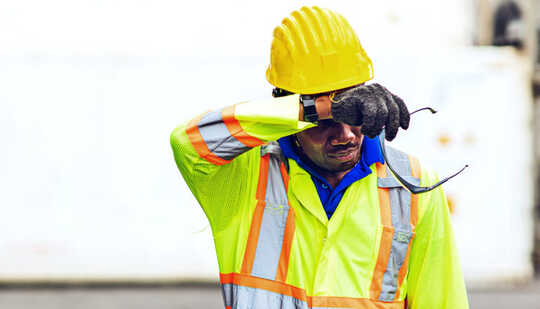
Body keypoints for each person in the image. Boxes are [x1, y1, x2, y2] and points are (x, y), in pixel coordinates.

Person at [171, 6, 468, 309]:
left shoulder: (413, 185)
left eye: (353, 112)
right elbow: (186, 141)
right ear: (289, 109)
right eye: (326, 121)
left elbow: (443, 301)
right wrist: (317, 109)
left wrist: (323, 110)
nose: (346, 135)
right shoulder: (244, 174)